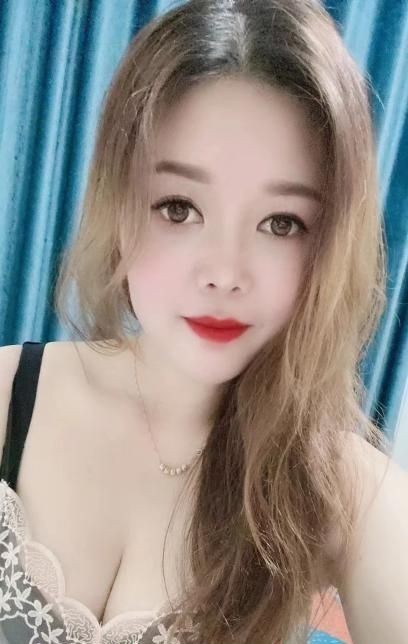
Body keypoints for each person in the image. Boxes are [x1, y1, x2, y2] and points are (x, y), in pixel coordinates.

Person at [1, 0, 407, 642]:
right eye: (179, 208)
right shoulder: (7, 395)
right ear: (120, 201)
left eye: (281, 223)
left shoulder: (344, 490)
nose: (224, 272)